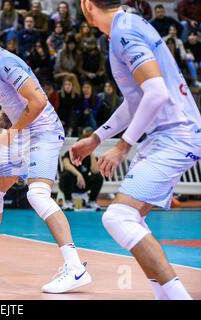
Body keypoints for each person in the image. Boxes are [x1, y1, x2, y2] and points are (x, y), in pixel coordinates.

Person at [0, 18, 92, 294]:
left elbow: (39, 101)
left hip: (43, 131)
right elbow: (7, 109)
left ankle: (75, 268)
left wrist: (13, 133)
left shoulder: (5, 62)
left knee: (37, 195)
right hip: (21, 134)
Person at [71, 0, 201, 300]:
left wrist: (122, 147)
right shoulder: (127, 26)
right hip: (169, 134)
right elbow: (136, 101)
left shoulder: (125, 33)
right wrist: (95, 138)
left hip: (175, 135)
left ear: (87, 5)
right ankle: (164, 295)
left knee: (118, 217)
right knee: (130, 219)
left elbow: (156, 92)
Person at [59, 127, 103, 211]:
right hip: (69, 184)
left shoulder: (89, 155)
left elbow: (95, 170)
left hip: (83, 185)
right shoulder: (69, 153)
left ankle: (91, 202)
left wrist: (91, 153)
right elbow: (66, 165)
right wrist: (78, 174)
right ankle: (68, 202)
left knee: (98, 177)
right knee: (66, 175)